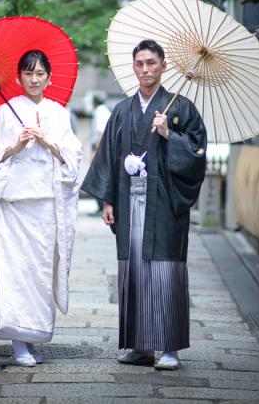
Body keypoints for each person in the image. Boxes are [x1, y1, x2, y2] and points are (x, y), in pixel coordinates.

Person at [81, 39, 207, 370]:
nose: (145, 69)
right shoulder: (122, 111)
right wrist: (108, 198)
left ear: (164, 66)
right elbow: (107, 155)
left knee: (165, 272)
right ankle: (139, 345)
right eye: (139, 64)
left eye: (152, 63)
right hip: (129, 198)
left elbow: (197, 156)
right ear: (133, 67)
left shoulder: (181, 108)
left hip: (164, 202)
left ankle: (169, 347)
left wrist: (169, 135)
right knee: (133, 272)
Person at [0, 50, 83, 367]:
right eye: (28, 73)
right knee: (13, 273)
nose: (34, 80)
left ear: (49, 77)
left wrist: (50, 143)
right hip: (12, 208)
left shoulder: (59, 114)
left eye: (40, 74)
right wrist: (15, 146)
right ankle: (18, 343)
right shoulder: (4, 113)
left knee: (38, 274)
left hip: (45, 209)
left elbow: (74, 155)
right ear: (19, 77)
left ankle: (33, 336)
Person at [90, 91, 112, 214]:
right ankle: (101, 205)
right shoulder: (106, 111)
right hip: (104, 147)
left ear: (95, 101)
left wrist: (96, 150)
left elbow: (101, 131)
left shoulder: (99, 112)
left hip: (100, 147)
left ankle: (102, 205)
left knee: (98, 177)